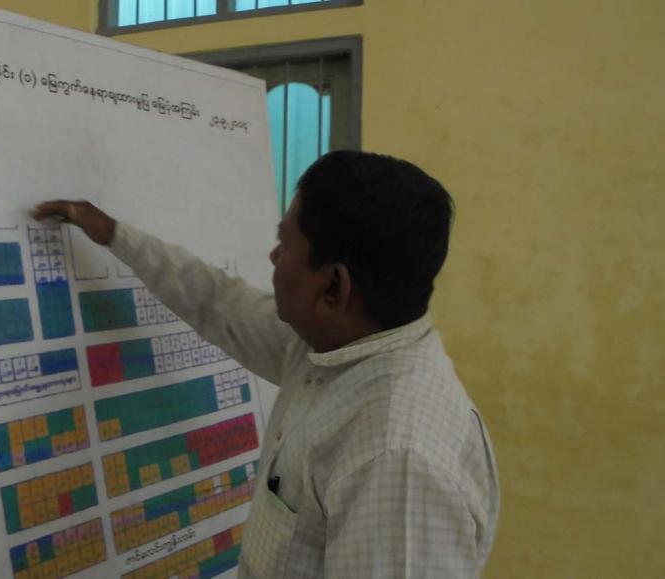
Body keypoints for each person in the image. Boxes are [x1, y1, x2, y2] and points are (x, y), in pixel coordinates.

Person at [34, 150, 500, 578]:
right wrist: (113, 233)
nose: (274, 256)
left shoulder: (396, 460)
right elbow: (219, 303)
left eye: (285, 243)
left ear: (334, 288)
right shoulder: (332, 344)